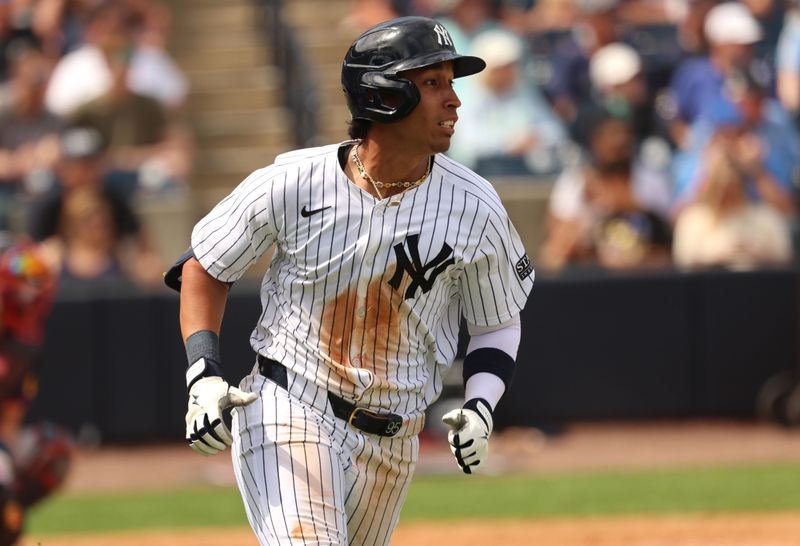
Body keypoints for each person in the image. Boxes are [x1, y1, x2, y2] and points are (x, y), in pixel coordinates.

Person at [165, 16, 534, 546]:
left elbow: (497, 322)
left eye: (452, 84)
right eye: (432, 83)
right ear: (383, 95)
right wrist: (203, 375)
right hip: (291, 405)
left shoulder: (475, 205)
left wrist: (481, 403)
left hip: (395, 437)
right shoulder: (292, 180)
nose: (453, 101)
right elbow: (205, 265)